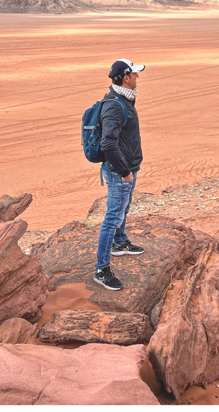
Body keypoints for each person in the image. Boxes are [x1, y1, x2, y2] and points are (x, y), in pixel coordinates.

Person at [93, 58, 146, 291]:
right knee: (112, 217)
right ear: (126, 77)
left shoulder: (125, 99)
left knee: (123, 209)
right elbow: (108, 144)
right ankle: (101, 269)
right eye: (134, 74)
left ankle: (120, 242)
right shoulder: (115, 105)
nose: (137, 77)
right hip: (119, 172)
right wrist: (124, 172)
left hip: (128, 168)